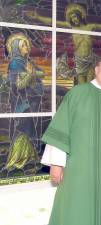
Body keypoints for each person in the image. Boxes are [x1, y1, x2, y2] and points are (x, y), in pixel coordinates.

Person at [41, 54, 101, 225]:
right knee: (76, 211)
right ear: (96, 70)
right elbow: (61, 128)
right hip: (81, 170)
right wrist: (56, 164)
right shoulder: (77, 94)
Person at [26, 3, 101, 84]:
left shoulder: (90, 27)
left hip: (90, 60)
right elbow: (54, 22)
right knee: (82, 85)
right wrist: (37, 17)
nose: (74, 19)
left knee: (90, 84)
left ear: (80, 16)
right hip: (79, 60)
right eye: (72, 18)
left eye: (75, 17)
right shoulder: (72, 28)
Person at [4, 33, 45, 171]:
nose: (27, 46)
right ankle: (18, 159)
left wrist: (32, 73)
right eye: (23, 45)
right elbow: (18, 86)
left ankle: (29, 157)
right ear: (16, 49)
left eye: (27, 44)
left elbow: (42, 73)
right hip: (21, 102)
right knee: (23, 128)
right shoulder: (15, 63)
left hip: (32, 100)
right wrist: (29, 74)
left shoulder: (28, 62)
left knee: (30, 128)